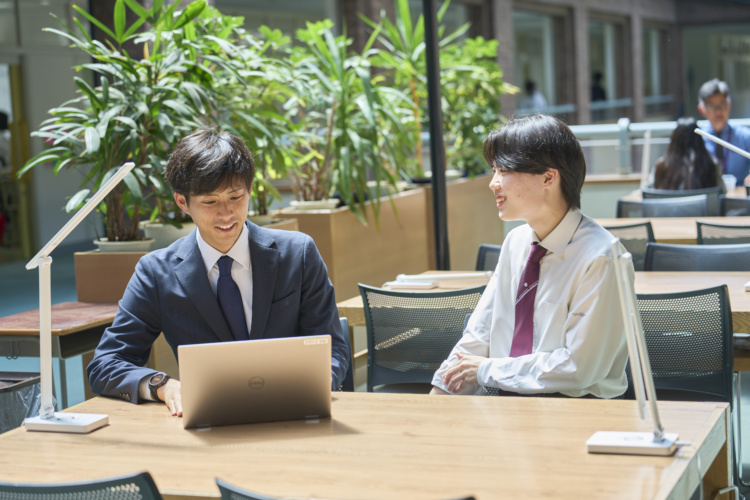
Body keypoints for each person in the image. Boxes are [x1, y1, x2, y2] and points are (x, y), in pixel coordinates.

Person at [87, 129, 350, 416]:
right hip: (209, 421)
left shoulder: (297, 254)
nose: (227, 214)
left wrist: (320, 380)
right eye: (210, 202)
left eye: (236, 196)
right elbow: (106, 363)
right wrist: (162, 385)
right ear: (182, 202)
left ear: (250, 190)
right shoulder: (156, 272)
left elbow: (332, 346)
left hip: (296, 411)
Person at [430, 114, 629, 398]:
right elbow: (479, 334)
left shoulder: (602, 257)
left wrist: (487, 370)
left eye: (503, 171)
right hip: (507, 405)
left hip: (579, 413)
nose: (493, 183)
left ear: (548, 177)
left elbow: (579, 367)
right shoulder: (516, 242)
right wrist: (439, 394)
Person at [697, 78, 750, 185]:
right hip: (708, 197)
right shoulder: (698, 139)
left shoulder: (745, 136)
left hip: (740, 198)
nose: (718, 111)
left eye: (722, 104)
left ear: (729, 105)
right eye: (712, 105)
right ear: (701, 109)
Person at [650, 117, 725, 192]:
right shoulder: (711, 165)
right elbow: (723, 192)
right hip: (701, 204)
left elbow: (647, 192)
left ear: (674, 140)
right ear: (699, 140)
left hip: (668, 204)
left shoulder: (661, 166)